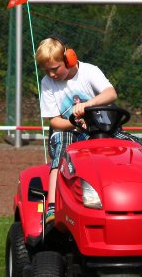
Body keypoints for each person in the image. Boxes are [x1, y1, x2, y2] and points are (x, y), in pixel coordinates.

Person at [36, 36, 116, 224]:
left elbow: (111, 93)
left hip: (98, 128)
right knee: (63, 151)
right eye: (46, 71)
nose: (51, 74)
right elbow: (55, 121)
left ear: (69, 59)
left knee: (129, 146)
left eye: (54, 69)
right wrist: (76, 124)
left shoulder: (90, 72)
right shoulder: (47, 83)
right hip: (66, 131)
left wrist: (88, 105)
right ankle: (52, 207)